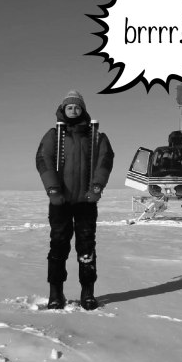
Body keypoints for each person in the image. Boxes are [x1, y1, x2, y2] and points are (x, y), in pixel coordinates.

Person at [35, 90, 114, 311]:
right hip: (60, 202)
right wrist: (52, 189)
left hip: (85, 202)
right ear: (63, 109)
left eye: (77, 107)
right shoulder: (54, 135)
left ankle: (87, 293)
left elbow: (105, 160)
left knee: (86, 248)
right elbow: (43, 159)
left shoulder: (95, 136)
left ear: (83, 110)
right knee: (58, 247)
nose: (73, 110)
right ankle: (55, 293)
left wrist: (97, 187)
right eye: (69, 107)